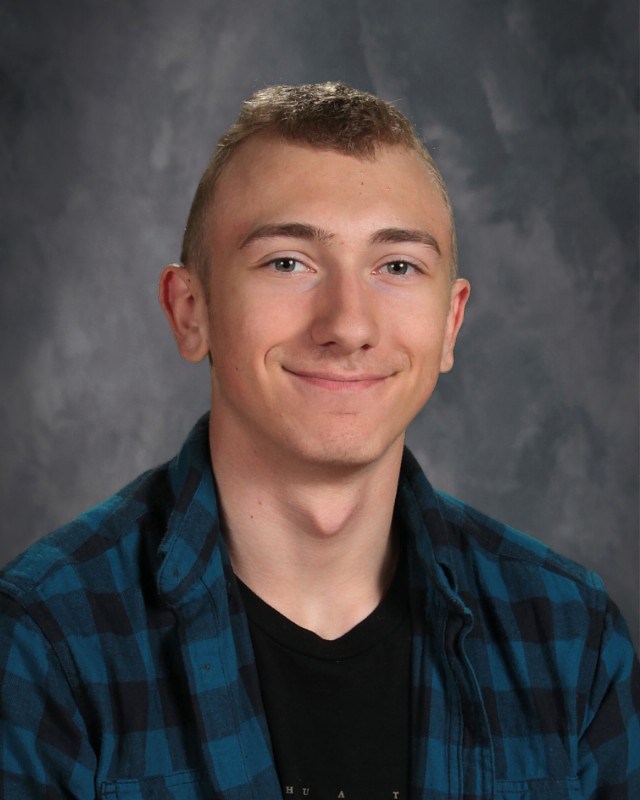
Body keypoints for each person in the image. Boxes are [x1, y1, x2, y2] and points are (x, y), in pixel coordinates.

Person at [0, 82, 638, 800]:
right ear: (190, 311)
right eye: (288, 262)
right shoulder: (45, 643)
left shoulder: (571, 639)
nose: (348, 325)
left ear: (450, 324)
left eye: (397, 266)